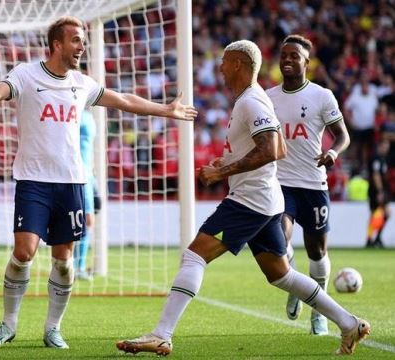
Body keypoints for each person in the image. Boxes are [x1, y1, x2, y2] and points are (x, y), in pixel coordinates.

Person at [0, 15, 197, 350]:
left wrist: (166, 110)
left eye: (83, 40)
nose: (82, 46)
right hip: (33, 181)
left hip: (71, 183)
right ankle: (8, 323)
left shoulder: (83, 83)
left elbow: (124, 101)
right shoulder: (26, 75)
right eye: (76, 39)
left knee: (63, 259)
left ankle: (53, 328)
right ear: (57, 44)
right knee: (24, 251)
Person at [116, 40, 369, 357]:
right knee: (282, 275)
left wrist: (224, 172)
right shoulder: (252, 100)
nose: (220, 68)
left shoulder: (251, 102)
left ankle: (162, 334)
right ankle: (348, 323)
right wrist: (230, 161)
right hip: (264, 200)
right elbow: (279, 148)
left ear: (238, 63)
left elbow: (272, 150)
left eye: (224, 61)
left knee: (195, 256)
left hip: (250, 200)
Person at [265, 34, 351, 336]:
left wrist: (332, 152)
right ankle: (297, 285)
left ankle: (318, 312)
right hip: (281, 183)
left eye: (294, 56)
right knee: (280, 242)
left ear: (306, 63)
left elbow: (342, 136)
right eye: (283, 55)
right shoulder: (268, 97)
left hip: (314, 185)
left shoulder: (322, 96)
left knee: (316, 252)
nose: (287, 60)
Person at [73, 109, 96, 280]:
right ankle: (77, 267)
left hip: (87, 174)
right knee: (86, 220)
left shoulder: (87, 116)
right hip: (78, 173)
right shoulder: (77, 113)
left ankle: (76, 266)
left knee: (84, 220)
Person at [366, 139, 391, 248]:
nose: (386, 149)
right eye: (384, 146)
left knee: (383, 214)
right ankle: (372, 239)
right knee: (379, 214)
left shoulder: (382, 159)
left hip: (380, 190)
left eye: (387, 147)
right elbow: (376, 175)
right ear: (380, 146)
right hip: (375, 191)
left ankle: (375, 238)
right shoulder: (376, 158)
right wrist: (380, 191)